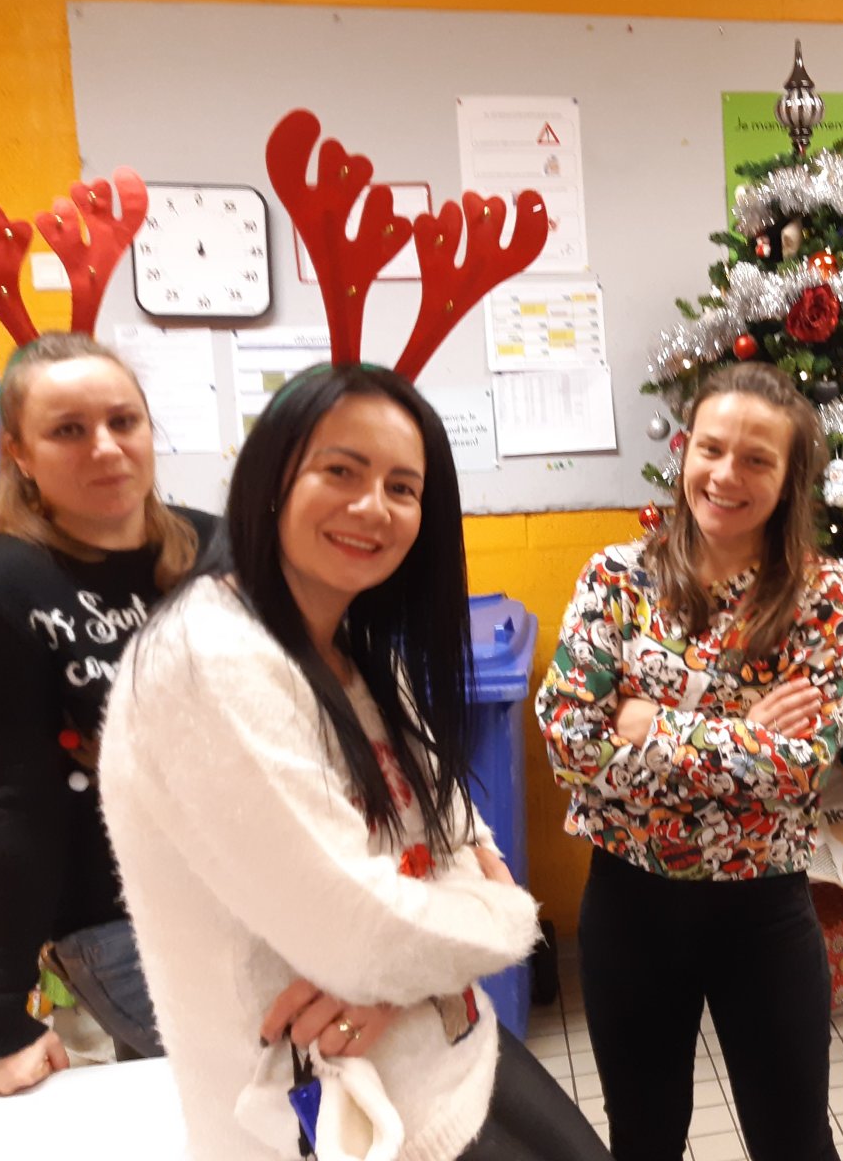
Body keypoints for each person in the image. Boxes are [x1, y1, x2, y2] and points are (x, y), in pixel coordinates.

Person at [97, 364, 609, 1161]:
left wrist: (407, 965)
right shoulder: (211, 660)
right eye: (341, 471)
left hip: (440, 1042)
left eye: (403, 488)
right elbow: (364, 933)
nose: (374, 507)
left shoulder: (351, 647)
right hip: (328, 1111)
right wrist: (506, 917)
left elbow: (457, 832)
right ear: (271, 479)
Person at [536, 361, 843, 1161]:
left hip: (764, 912)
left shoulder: (822, 597)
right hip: (631, 906)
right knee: (644, 1139)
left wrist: (649, 723)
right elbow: (569, 739)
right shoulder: (617, 579)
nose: (725, 475)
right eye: (711, 448)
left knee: (795, 1144)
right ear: (685, 449)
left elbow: (799, 765)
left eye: (757, 459)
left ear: (789, 478)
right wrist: (741, 731)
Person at [0, 332, 211, 1096]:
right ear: (19, 453)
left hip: (252, 891)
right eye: (68, 430)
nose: (106, 447)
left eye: (124, 421)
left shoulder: (216, 549)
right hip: (120, 921)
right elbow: (19, 807)